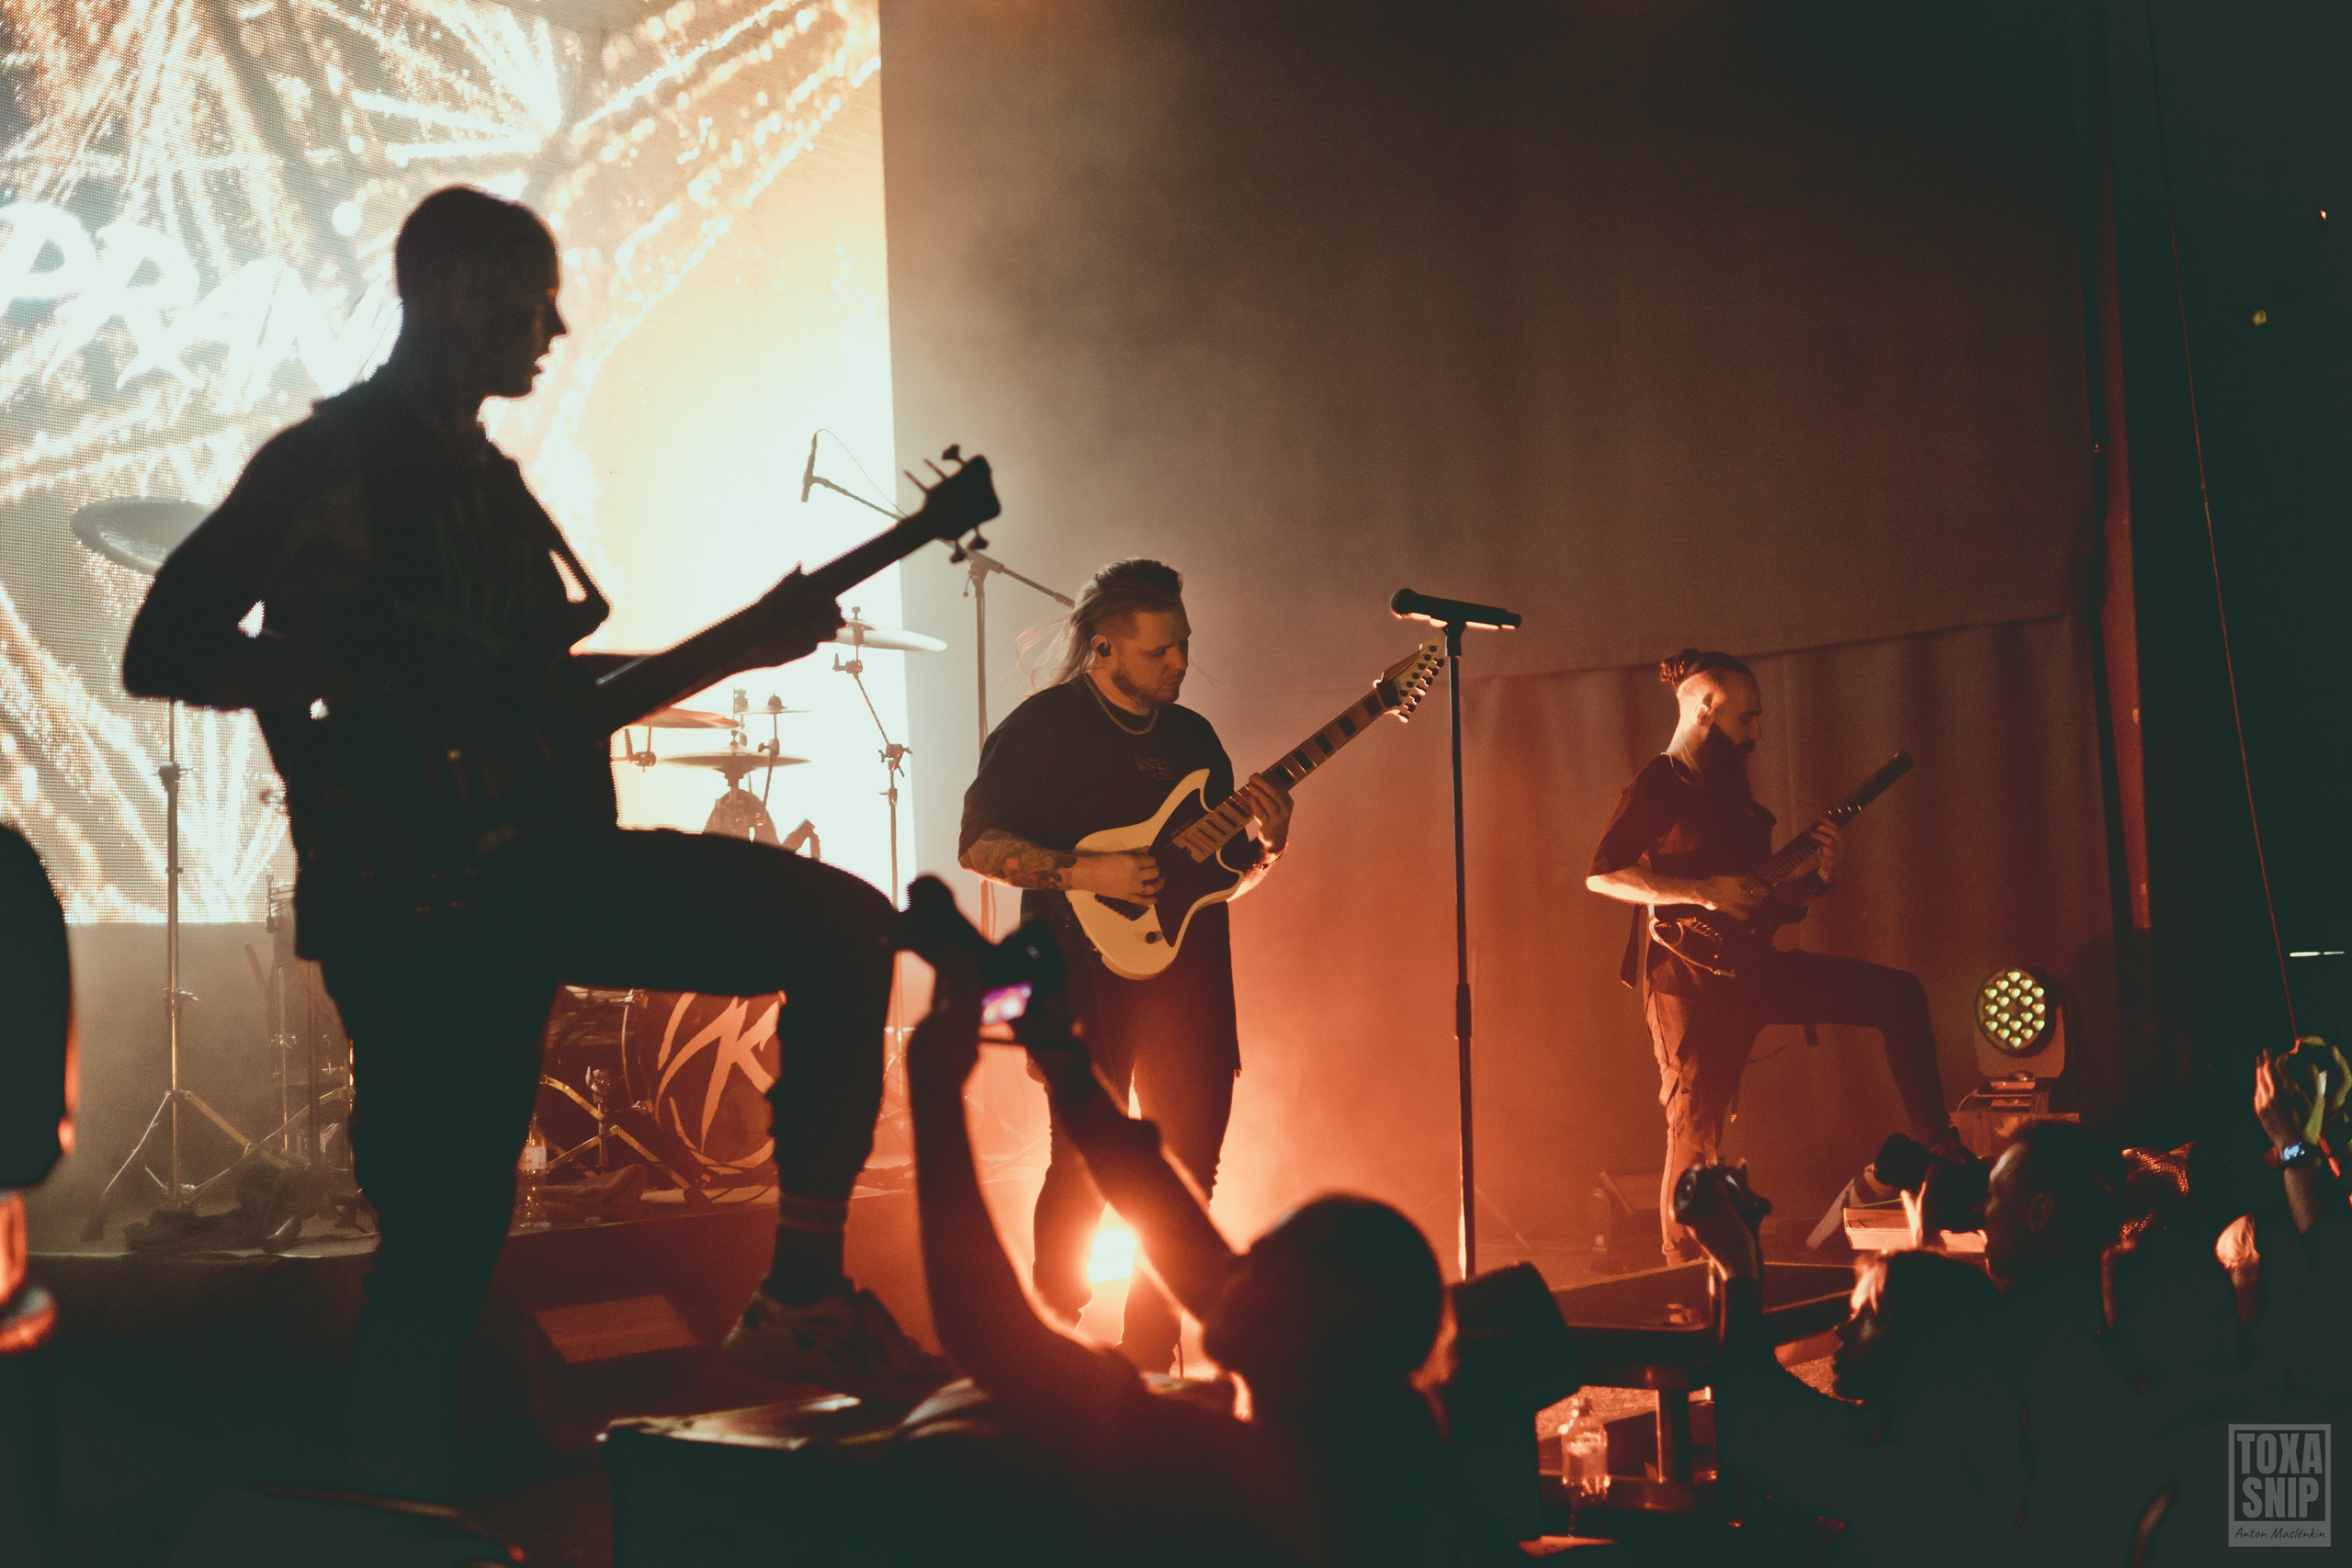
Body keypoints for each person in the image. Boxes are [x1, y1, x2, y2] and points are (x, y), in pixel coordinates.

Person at [120, 186, 943, 1500]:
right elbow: (163, 645)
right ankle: (397, 1503)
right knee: (446, 1238)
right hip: (419, 898)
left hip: (539, 872)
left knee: (844, 927)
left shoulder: (490, 486)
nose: (554, 323)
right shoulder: (334, 460)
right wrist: (364, 688)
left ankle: (799, 1285)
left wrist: (740, 642)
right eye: (530, 293)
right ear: (452, 292)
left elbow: (525, 692)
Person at [898, 877, 1506, 1568]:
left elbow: (987, 1328)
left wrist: (934, 1083)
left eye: (1257, 1265)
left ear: (1299, 1338)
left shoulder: (1213, 1465)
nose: (1230, 1263)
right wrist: (1061, 1052)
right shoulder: (1373, 1439)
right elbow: (1166, 1217)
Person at [958, 559, 1292, 1371]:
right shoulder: (1042, 729)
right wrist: (1086, 871)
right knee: (1081, 1160)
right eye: (1159, 652)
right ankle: (1052, 1344)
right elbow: (977, 846)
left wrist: (1270, 847)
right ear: (1105, 649)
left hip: (1191, 984)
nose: (1179, 663)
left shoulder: (1195, 739)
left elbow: (1219, 881)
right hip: (1081, 981)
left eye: (1183, 645)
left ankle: (1151, 1353)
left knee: (1190, 1171)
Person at [1585, 649, 1961, 1261]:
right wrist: (1701, 891)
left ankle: (1939, 1146)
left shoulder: (1733, 788)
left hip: (1754, 971)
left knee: (1898, 993)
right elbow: (1603, 875)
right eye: (1748, 718)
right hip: (1688, 987)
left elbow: (1757, 898)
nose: (1757, 732)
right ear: (1707, 707)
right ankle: (1683, 1270)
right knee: (1696, 1133)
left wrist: (1815, 880)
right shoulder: (1658, 783)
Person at [1679, 1164, 2025, 1568]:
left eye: (1871, 1317)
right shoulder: (1931, 1428)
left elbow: (1746, 1429)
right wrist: (1739, 1253)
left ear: (1927, 1344)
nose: (1843, 1331)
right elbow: (1766, 1394)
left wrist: (1739, 1267)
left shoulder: (1931, 1479)